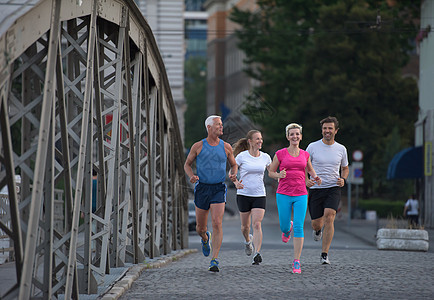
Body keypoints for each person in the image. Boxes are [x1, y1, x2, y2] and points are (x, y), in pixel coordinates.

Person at [184, 115, 237, 272]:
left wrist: (233, 174)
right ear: (209, 127)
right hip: (202, 189)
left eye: (221, 124)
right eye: (218, 125)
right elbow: (187, 164)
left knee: (217, 222)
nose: (221, 127)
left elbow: (234, 165)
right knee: (200, 228)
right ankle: (205, 238)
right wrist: (191, 176)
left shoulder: (226, 147)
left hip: (218, 188)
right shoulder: (198, 146)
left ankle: (214, 260)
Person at [268, 123, 321, 274]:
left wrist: (315, 177)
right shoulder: (280, 154)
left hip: (301, 194)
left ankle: (296, 261)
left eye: (297, 134)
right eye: (292, 134)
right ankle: (287, 229)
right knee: (285, 226)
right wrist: (279, 175)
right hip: (283, 193)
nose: (295, 136)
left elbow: (310, 169)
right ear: (287, 136)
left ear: (301, 136)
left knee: (299, 226)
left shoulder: (305, 154)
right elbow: (271, 172)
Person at [306, 116, 349, 265]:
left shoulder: (341, 149)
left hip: (333, 187)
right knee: (317, 223)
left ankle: (324, 254)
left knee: (330, 216)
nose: (327, 131)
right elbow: (304, 165)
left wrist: (343, 179)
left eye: (330, 128)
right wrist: (306, 180)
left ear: (336, 131)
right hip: (316, 188)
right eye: (325, 128)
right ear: (322, 130)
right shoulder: (312, 147)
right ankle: (318, 230)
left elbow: (345, 168)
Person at [232, 130, 272, 265]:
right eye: (257, 139)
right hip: (243, 195)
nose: (260, 141)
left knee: (257, 224)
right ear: (250, 141)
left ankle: (257, 253)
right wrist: (236, 183)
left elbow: (272, 172)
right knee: (245, 227)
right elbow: (232, 173)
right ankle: (248, 241)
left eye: (261, 138)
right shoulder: (241, 157)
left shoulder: (265, 157)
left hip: (259, 194)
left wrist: (282, 175)